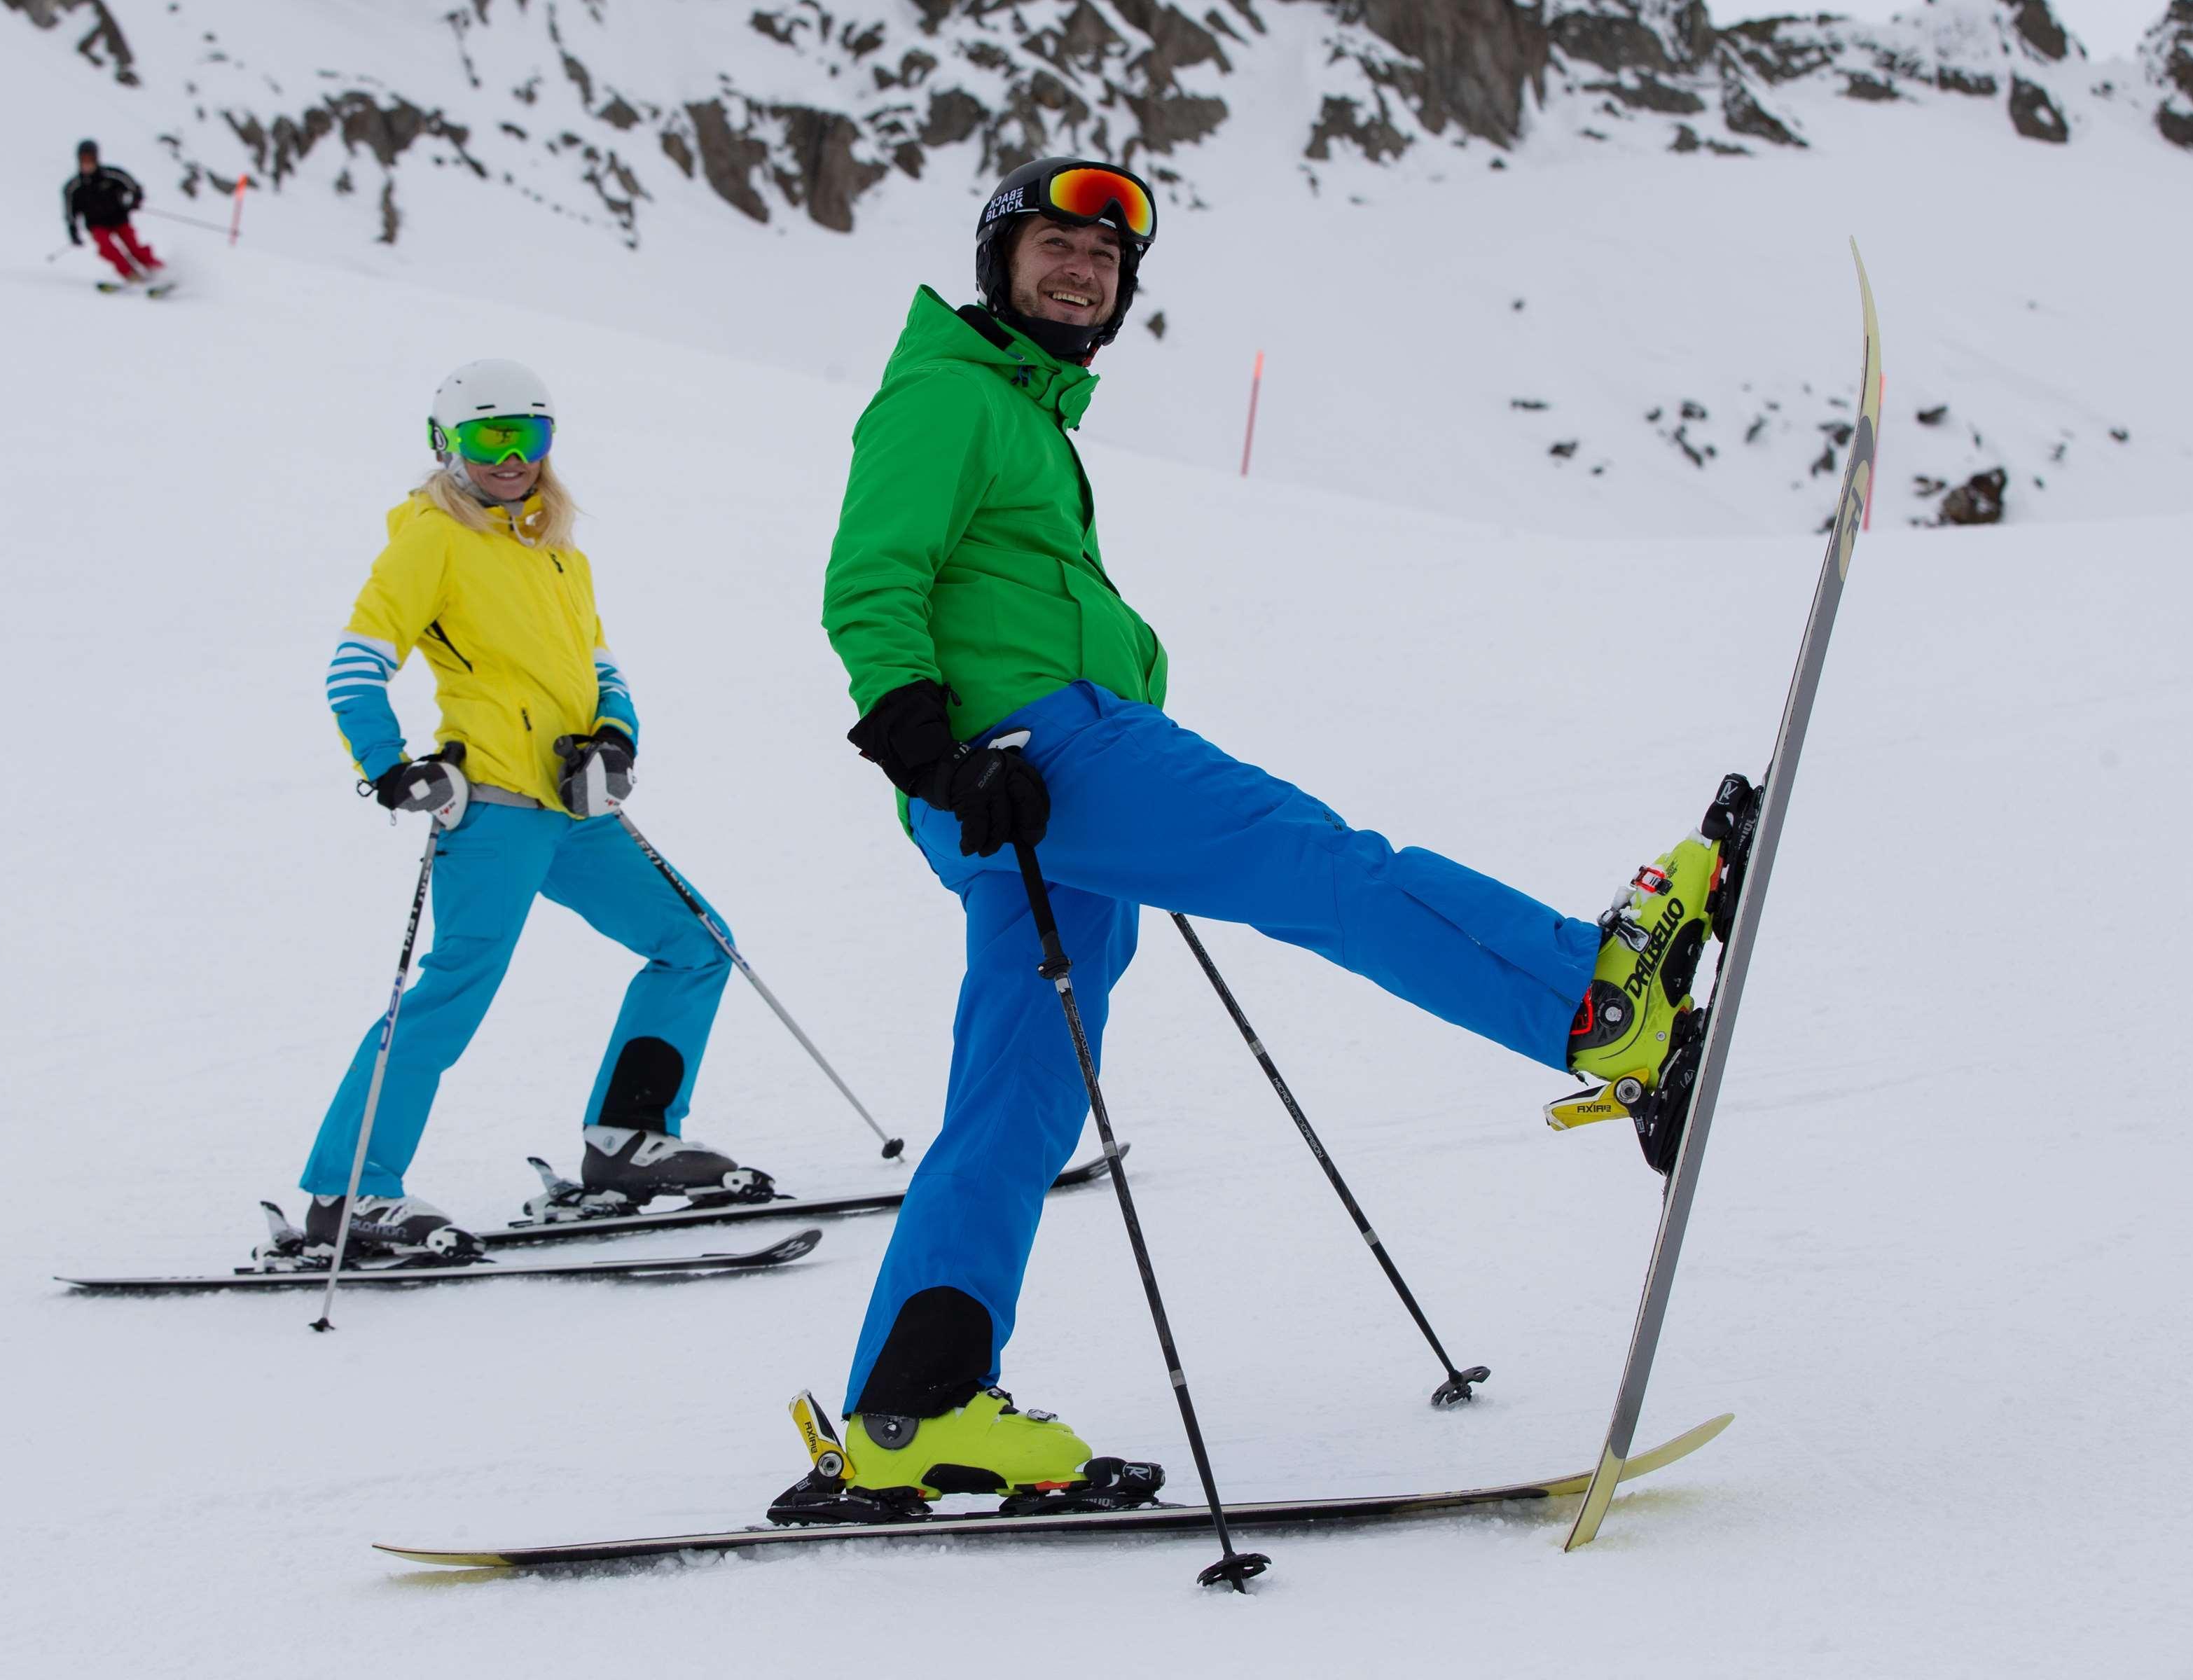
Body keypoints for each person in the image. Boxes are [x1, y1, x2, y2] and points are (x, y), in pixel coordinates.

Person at [817, 157, 1733, 1501]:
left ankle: (915, 1406)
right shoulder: (947, 395)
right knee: (1321, 865)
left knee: (1016, 1090)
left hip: (1017, 790)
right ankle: (1597, 1007)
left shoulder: (1024, 420)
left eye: (1106, 259)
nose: (1082, 269)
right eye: (1055, 245)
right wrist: (935, 753)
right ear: (997, 259)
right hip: (1039, 757)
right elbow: (870, 579)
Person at [298, 359, 770, 1260]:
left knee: (695, 943)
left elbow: (600, 668)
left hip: (574, 809)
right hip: (495, 811)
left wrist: (614, 739)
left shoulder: (558, 548)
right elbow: (354, 665)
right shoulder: (430, 539)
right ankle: (347, 1196)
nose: (511, 456)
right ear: (448, 445)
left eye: (530, 436)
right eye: (487, 438)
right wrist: (393, 769)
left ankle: (628, 1142)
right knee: (453, 993)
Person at [63, 139, 164, 284]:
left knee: (134, 248)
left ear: (96, 158)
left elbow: (134, 188)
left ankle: (159, 271)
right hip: (96, 224)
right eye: (83, 159)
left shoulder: (112, 175)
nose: (87, 163)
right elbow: (70, 214)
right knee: (107, 248)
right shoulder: (73, 187)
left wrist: (135, 201)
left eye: (90, 159)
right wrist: (73, 233)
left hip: (119, 219)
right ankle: (131, 275)